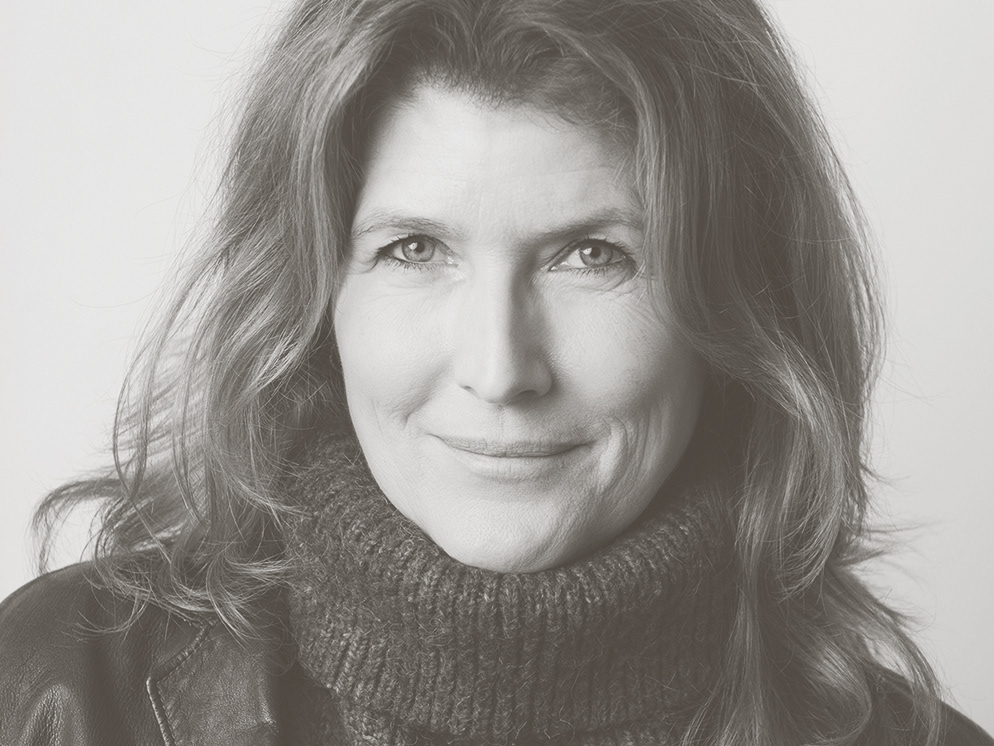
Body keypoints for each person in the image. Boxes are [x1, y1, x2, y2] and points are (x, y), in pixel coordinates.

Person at [0, 0, 990, 744]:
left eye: (592, 255)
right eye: (414, 249)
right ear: (309, 299)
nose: (500, 368)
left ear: (739, 308)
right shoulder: (64, 691)